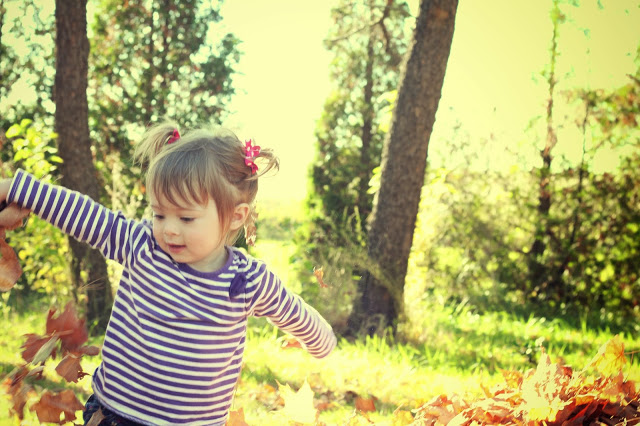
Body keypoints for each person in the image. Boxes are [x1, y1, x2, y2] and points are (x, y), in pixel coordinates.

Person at [0, 122, 337, 425]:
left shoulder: (246, 280)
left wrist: (321, 339)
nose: (169, 230)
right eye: (159, 214)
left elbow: (292, 310)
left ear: (235, 216)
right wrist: (16, 190)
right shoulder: (142, 245)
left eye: (186, 218)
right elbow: (83, 213)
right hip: (114, 415)